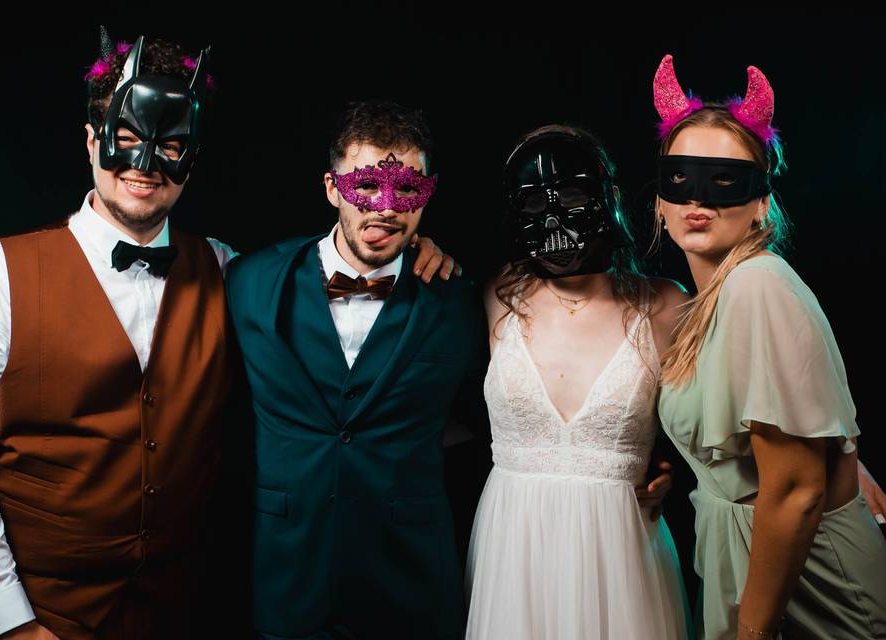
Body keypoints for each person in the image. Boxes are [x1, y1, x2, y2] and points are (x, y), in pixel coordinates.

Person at [0, 34, 454, 640]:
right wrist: (8, 622)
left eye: (170, 146)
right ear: (91, 142)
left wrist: (411, 250)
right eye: (125, 142)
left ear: (192, 158)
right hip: (38, 617)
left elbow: (334, 273)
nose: (145, 165)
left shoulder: (233, 273)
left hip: (178, 615)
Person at [225, 99, 486, 640]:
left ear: (427, 192)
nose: (385, 208)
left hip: (408, 583)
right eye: (365, 187)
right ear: (330, 187)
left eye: (406, 190)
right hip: (285, 574)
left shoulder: (457, 298)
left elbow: (488, 420)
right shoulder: (249, 280)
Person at [652, 53, 886, 639]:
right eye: (679, 178)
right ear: (659, 200)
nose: (696, 199)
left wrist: (752, 633)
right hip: (757, 573)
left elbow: (797, 488)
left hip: (810, 595)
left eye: (726, 181)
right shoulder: (707, 300)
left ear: (761, 205)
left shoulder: (757, 285)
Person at [464, 125, 692, 639]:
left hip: (620, 551)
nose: (553, 217)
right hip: (516, 545)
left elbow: (729, 405)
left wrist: (842, 459)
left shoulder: (665, 304)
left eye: (570, 195)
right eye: (533, 205)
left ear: (604, 198)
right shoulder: (495, 297)